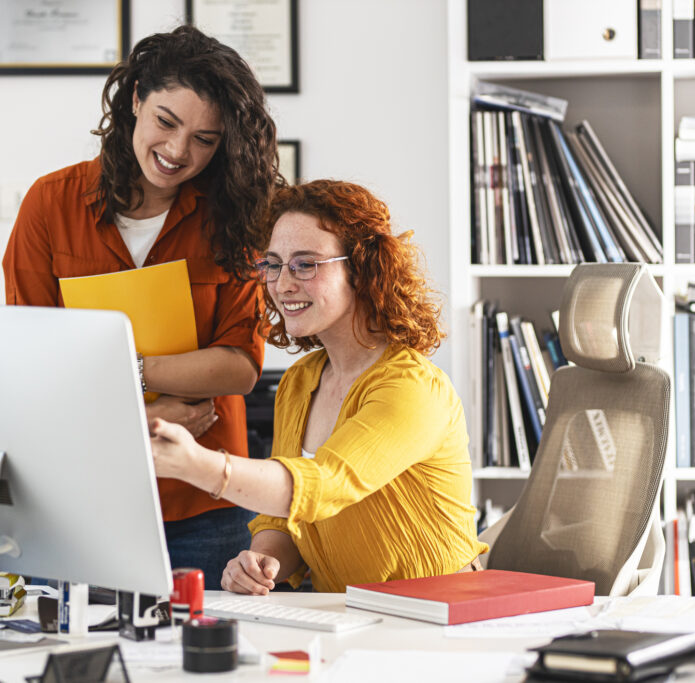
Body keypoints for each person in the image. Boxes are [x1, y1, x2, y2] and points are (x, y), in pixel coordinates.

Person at [2, 25, 279, 589]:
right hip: (83, 501)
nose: (178, 152)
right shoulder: (50, 204)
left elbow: (239, 366)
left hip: (206, 503)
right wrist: (147, 420)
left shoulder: (233, 218)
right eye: (166, 122)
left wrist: (129, 372)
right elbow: (31, 364)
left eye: (205, 139)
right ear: (135, 102)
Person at [149, 179, 487, 593]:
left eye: (305, 264)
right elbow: (286, 520)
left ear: (361, 270)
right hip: (345, 615)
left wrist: (196, 464)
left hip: (437, 615)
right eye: (273, 264)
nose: (282, 283)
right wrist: (264, 561)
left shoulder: (412, 388)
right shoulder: (299, 381)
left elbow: (326, 484)